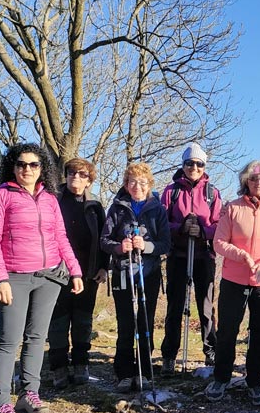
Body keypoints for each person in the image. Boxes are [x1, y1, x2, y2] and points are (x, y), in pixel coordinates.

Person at [0, 143, 83, 413]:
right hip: (14, 277)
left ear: (42, 168)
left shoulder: (49, 198)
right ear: (12, 167)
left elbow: (60, 237)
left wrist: (74, 270)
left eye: (33, 164)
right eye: (21, 164)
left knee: (37, 337)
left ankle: (29, 395)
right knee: (8, 342)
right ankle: (1, 405)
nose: (27, 169)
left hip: (48, 277)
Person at [205, 160, 260, 405]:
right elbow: (219, 242)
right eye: (253, 178)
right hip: (234, 278)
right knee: (227, 330)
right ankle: (221, 377)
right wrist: (241, 256)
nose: (258, 183)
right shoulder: (233, 208)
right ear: (246, 181)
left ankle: (255, 382)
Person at [101, 163, 171, 392]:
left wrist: (147, 246)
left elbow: (165, 244)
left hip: (148, 274)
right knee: (125, 323)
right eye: (132, 181)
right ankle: (124, 373)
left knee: (145, 322)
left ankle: (144, 371)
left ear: (149, 184)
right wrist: (120, 247)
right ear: (126, 184)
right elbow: (104, 241)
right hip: (123, 273)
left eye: (142, 182)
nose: (137, 186)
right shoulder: (117, 208)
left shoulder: (157, 209)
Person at [159, 143, 222, 371]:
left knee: (205, 307)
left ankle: (211, 351)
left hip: (203, 255)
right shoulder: (171, 191)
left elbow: (220, 225)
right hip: (178, 254)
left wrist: (203, 231)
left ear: (204, 166)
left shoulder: (212, 193)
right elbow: (161, 223)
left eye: (199, 164)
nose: (194, 168)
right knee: (175, 306)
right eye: (189, 163)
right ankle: (169, 354)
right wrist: (181, 227)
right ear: (183, 165)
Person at [47, 158, 108, 388]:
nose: (76, 177)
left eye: (83, 174)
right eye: (72, 172)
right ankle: (59, 367)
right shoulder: (53, 200)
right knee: (58, 320)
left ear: (89, 181)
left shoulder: (95, 206)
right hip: (56, 271)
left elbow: (103, 239)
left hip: (88, 272)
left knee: (83, 320)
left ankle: (81, 363)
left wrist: (104, 267)